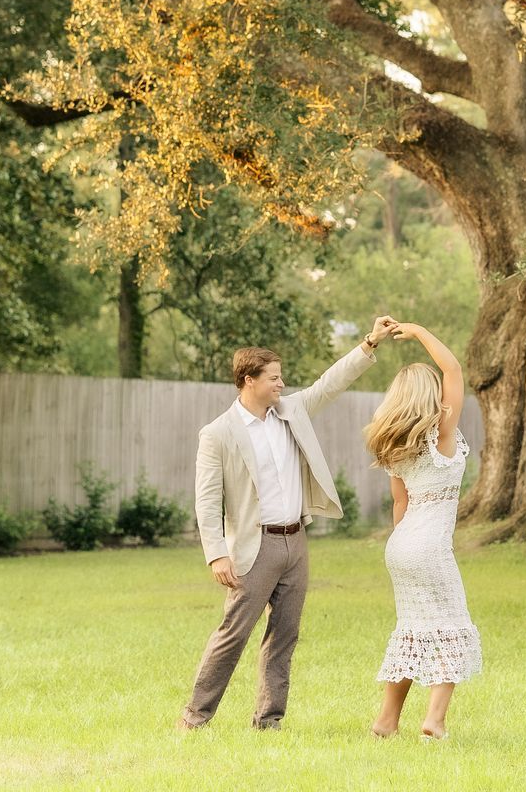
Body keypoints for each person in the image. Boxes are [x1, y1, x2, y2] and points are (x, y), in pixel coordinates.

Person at [179, 315, 401, 731]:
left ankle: (269, 721)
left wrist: (370, 341)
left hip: (294, 543)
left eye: (281, 378)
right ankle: (195, 718)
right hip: (253, 547)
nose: (282, 385)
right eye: (274, 378)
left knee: (284, 637)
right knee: (234, 634)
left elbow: (328, 385)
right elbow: (207, 500)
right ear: (249, 380)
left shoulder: (290, 411)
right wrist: (217, 554)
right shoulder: (218, 434)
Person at [363, 322, 481, 741]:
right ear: (431, 397)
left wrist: (405, 548)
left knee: (412, 629)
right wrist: (419, 331)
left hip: (401, 545)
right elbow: (453, 370)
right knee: (451, 626)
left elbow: (400, 504)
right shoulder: (441, 435)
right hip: (429, 545)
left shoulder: (398, 444)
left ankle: (386, 721)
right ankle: (434, 721)